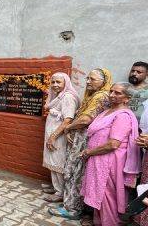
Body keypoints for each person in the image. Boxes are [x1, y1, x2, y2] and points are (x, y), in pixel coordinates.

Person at [48, 68, 111, 221]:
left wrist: (68, 128)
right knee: (72, 171)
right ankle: (69, 204)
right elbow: (79, 116)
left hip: (84, 141)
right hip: (77, 138)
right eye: (87, 78)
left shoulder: (101, 97)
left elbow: (86, 120)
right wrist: (70, 131)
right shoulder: (92, 96)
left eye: (92, 79)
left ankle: (72, 209)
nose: (88, 81)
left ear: (103, 82)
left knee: (75, 173)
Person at [79, 82, 141, 225]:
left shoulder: (123, 116)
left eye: (117, 93)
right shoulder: (107, 111)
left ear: (127, 98)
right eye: (111, 91)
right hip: (98, 160)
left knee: (107, 196)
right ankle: (99, 222)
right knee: (99, 194)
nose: (112, 95)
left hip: (110, 163)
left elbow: (114, 144)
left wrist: (89, 152)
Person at [42, 72, 80, 202]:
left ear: (66, 83)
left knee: (58, 162)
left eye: (58, 82)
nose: (55, 85)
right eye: (53, 82)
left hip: (59, 135)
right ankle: (56, 186)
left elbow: (67, 120)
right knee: (53, 160)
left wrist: (53, 136)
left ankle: (60, 193)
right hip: (53, 133)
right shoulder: (59, 96)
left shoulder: (67, 97)